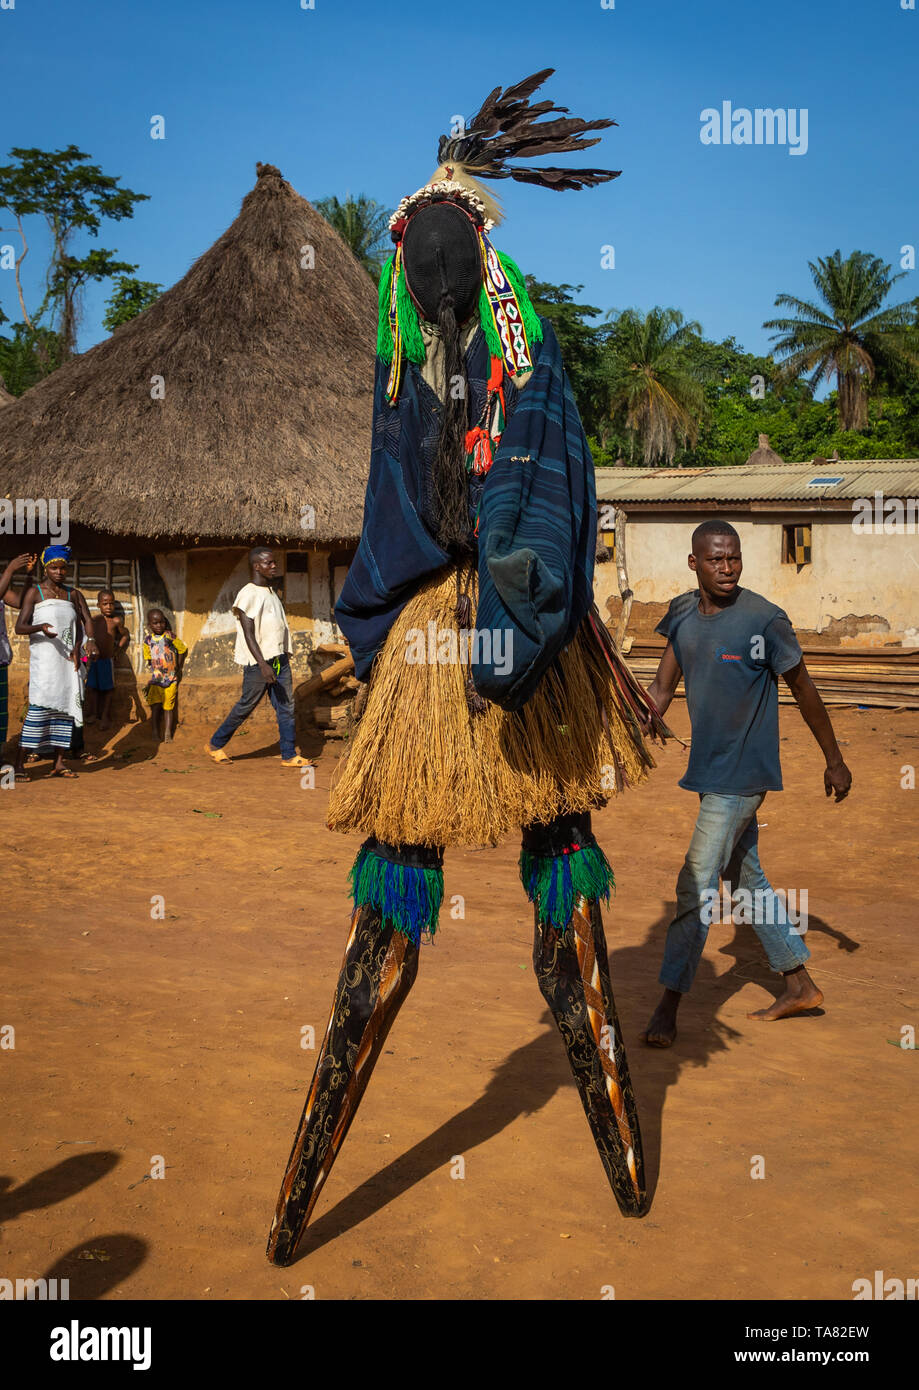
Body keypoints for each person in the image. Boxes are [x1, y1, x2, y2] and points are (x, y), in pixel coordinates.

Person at [266, 70, 671, 1267]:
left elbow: (543, 503)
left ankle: (624, 1160)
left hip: (523, 656)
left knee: (570, 913)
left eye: (444, 253)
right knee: (387, 923)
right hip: (440, 668)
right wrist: (409, 634)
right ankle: (298, 1204)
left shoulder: (522, 362)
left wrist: (501, 619)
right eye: (419, 256)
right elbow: (393, 520)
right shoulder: (403, 375)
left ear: (473, 258)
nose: (431, 275)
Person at [641, 519, 853, 1048]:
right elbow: (662, 690)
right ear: (695, 563)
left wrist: (834, 759)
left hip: (742, 776)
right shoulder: (683, 615)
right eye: (716, 559)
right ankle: (799, 984)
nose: (728, 568)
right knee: (746, 879)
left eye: (734, 557)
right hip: (709, 773)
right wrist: (624, 722)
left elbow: (804, 690)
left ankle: (668, 1004)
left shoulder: (765, 620)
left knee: (695, 884)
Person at [205, 547, 309, 768]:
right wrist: (263, 664)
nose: (274, 566)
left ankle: (289, 755)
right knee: (246, 705)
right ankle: (215, 745)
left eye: (274, 562)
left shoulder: (271, 593)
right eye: (269, 563)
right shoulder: (248, 594)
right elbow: (248, 633)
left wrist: (282, 656)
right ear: (256, 566)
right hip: (260, 664)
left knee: (286, 706)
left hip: (279, 660)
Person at [13, 545, 96, 781]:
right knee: (39, 709)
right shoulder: (35, 593)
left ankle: (59, 763)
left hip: (68, 662)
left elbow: (87, 620)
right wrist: (40, 628)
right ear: (46, 569)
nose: (59, 572)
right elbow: (20, 627)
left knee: (65, 710)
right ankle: (19, 764)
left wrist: (88, 640)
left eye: (63, 568)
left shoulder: (74, 595)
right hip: (45, 664)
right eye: (54, 568)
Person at [0, 552, 37, 757]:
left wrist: (28, 576)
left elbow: (21, 602)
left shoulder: (2, 586)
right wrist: (10, 569)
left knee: (0, 712)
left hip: (1, 657)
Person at [86, 588, 129, 731]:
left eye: (111, 604)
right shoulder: (94, 620)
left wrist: (118, 650)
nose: (109, 607)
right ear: (98, 605)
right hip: (94, 660)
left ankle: (105, 716)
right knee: (92, 688)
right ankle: (93, 713)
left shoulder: (116, 621)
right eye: (105, 604)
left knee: (108, 689)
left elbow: (125, 635)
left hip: (106, 661)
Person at [142, 609, 187, 742]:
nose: (159, 625)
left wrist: (178, 666)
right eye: (155, 623)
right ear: (149, 625)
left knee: (168, 707)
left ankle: (168, 733)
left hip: (171, 678)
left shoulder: (169, 636)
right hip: (156, 680)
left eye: (161, 622)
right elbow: (148, 658)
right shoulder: (148, 640)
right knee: (155, 707)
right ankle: (155, 731)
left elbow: (182, 650)